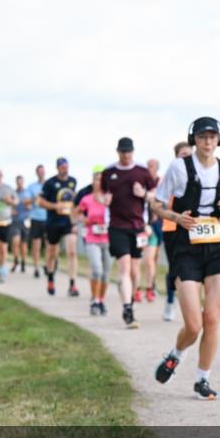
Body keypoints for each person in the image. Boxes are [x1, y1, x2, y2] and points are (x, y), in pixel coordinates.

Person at [152, 117, 220, 401]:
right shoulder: (179, 167)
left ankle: (202, 379)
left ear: (219, 140)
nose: (208, 141)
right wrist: (175, 217)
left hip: (217, 245)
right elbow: (156, 204)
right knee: (193, 326)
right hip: (186, 247)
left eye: (212, 136)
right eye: (203, 136)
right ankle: (175, 355)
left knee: (212, 318)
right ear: (194, 139)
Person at [101, 137, 157, 329]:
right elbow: (101, 194)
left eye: (129, 152)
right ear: (118, 152)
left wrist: (144, 194)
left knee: (135, 270)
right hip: (117, 226)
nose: (126, 155)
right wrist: (105, 200)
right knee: (124, 267)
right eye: (123, 152)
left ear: (133, 152)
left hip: (138, 227)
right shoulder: (109, 172)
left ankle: (130, 301)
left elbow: (156, 195)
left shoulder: (142, 172)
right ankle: (127, 309)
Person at [38, 158, 80, 296]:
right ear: (57, 168)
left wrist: (75, 219)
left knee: (72, 252)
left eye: (66, 167)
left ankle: (72, 284)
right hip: (53, 222)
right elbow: (40, 201)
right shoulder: (50, 183)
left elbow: (75, 202)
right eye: (62, 167)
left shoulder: (73, 181)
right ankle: (50, 277)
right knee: (52, 253)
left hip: (68, 222)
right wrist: (55, 206)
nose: (65, 169)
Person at [161, 141, 193, 321]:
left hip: (193, 228)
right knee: (175, 267)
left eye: (190, 154)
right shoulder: (171, 174)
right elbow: (161, 203)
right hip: (172, 227)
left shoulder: (201, 174)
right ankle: (170, 301)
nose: (188, 158)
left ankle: (194, 303)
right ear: (176, 158)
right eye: (184, 155)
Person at [77, 167, 113, 315]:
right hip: (92, 238)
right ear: (93, 181)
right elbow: (78, 213)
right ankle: (94, 300)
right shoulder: (87, 199)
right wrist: (83, 219)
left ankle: (101, 300)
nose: (99, 182)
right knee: (97, 269)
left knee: (106, 273)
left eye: (102, 180)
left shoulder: (110, 198)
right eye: (97, 179)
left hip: (109, 238)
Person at [138, 158, 163, 304]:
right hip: (141, 225)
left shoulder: (160, 182)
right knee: (140, 258)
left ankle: (151, 285)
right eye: (147, 165)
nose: (149, 168)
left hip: (157, 224)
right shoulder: (141, 183)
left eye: (152, 166)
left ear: (157, 168)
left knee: (154, 257)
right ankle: (138, 287)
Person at [26, 165, 48, 279]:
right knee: (36, 245)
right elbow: (26, 202)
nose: (41, 173)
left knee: (49, 245)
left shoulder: (49, 185)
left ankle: (47, 265)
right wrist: (35, 197)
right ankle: (36, 267)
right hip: (36, 218)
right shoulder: (31, 187)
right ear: (36, 173)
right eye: (39, 172)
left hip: (48, 218)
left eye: (43, 171)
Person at [10, 175, 30, 273]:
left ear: (23, 182)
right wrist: (11, 210)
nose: (20, 184)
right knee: (15, 242)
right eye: (18, 182)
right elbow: (8, 205)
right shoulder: (13, 193)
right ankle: (15, 261)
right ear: (16, 183)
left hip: (25, 221)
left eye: (21, 182)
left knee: (24, 244)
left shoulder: (27, 193)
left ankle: (23, 262)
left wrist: (28, 206)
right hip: (15, 221)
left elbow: (30, 205)